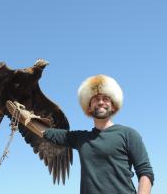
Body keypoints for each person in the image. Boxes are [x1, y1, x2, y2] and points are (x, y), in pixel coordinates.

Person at [9, 74, 154, 194]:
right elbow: (46, 133)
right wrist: (25, 118)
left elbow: (145, 172)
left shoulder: (128, 134)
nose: (101, 102)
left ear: (113, 105)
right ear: (89, 107)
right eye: (96, 99)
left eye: (106, 99)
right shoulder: (80, 138)